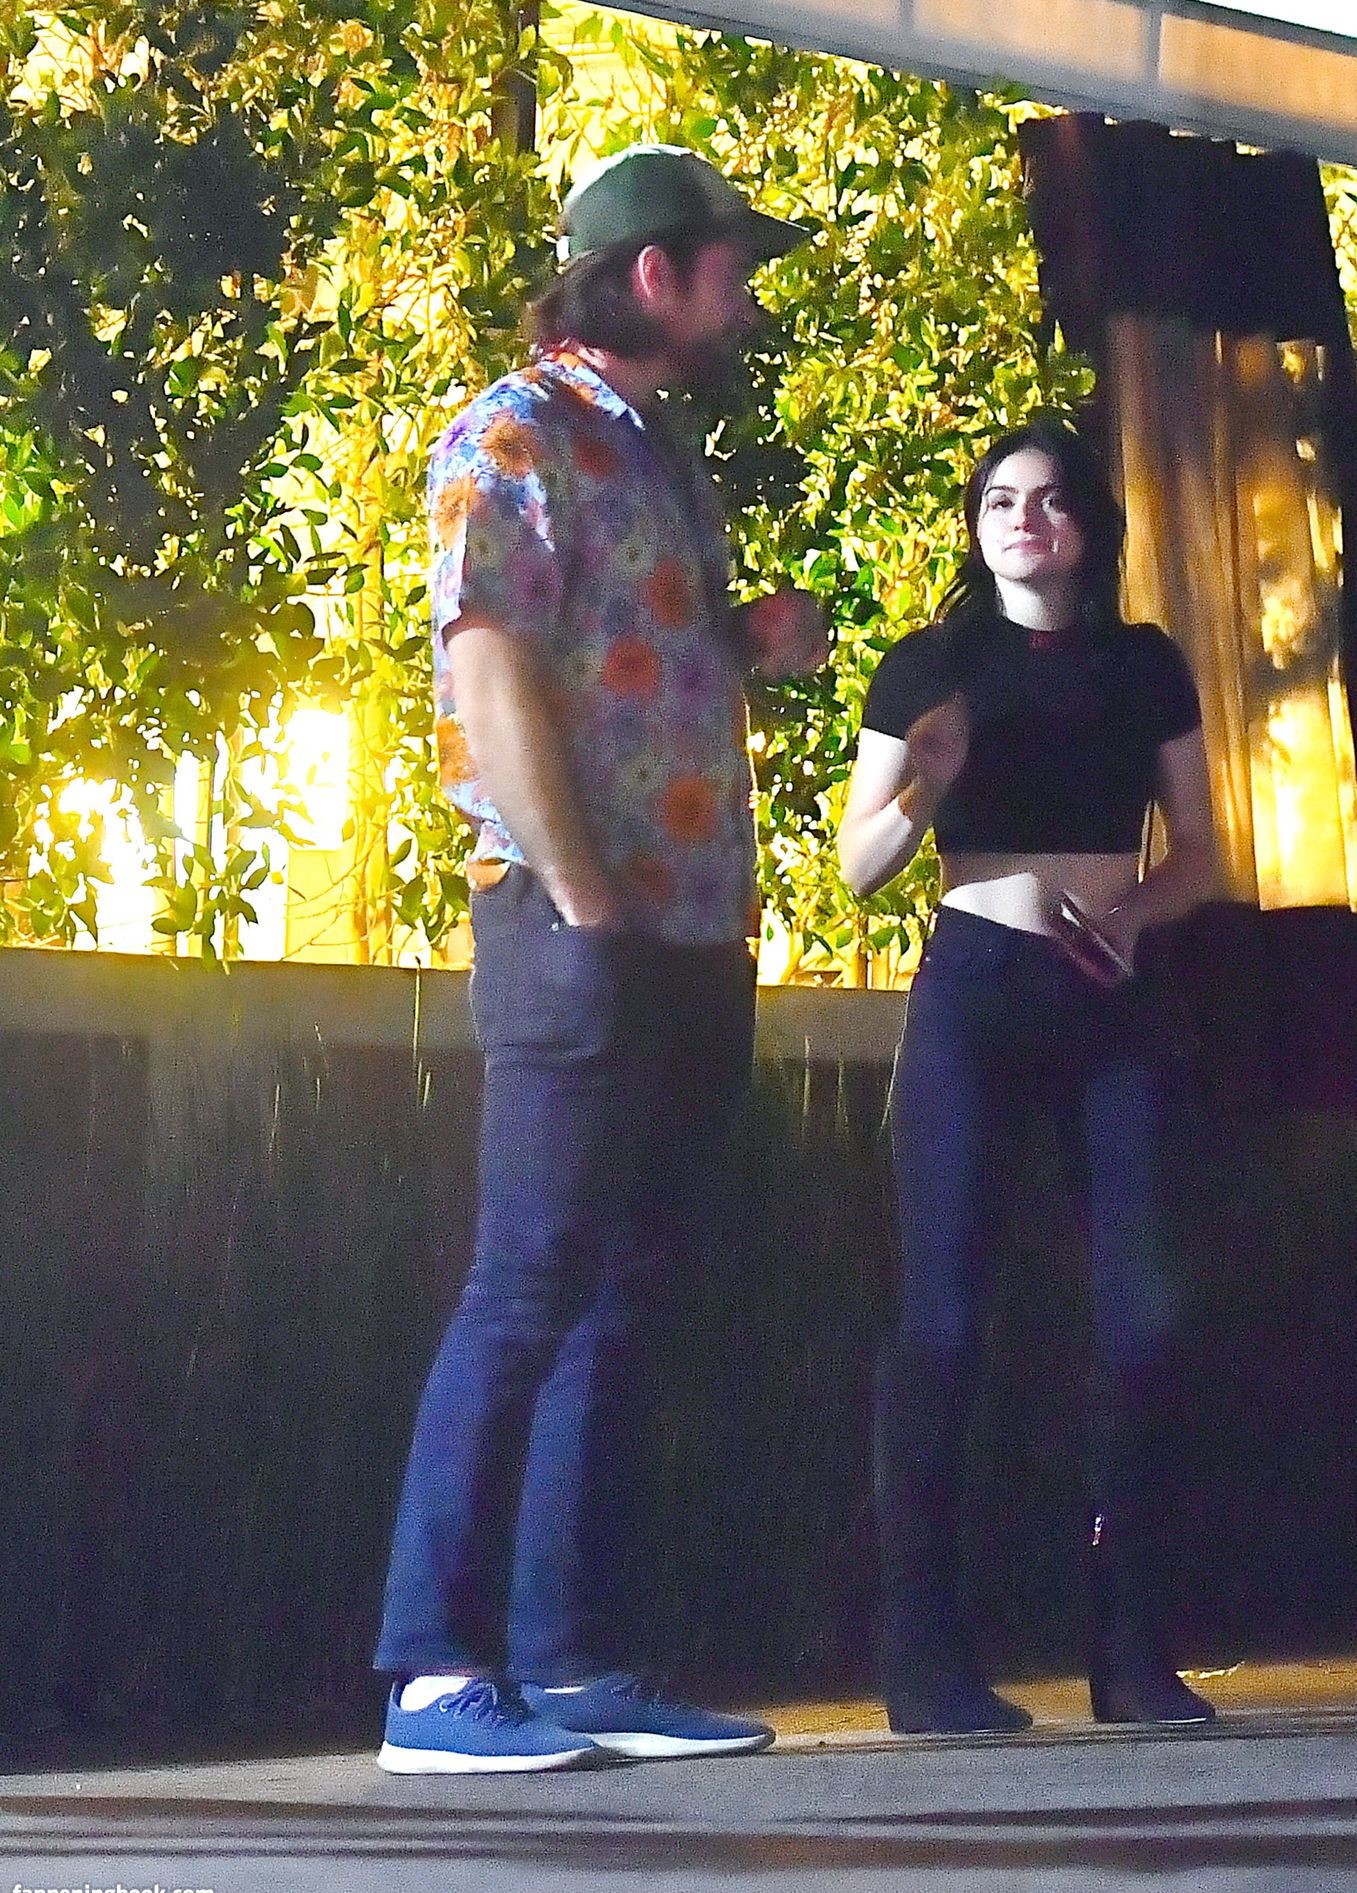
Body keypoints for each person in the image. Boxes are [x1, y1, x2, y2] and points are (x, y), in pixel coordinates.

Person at [373, 145, 832, 1773]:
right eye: (732, 267)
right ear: (655, 273)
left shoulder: (655, 452)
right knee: (525, 1288)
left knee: (628, 1294)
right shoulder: (512, 434)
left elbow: (628, 658)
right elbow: (490, 670)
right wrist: (582, 904)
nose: (746, 297)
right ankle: (434, 1676)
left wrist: (748, 641)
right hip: (576, 920)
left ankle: (572, 1663)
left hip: (689, 926)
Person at [838, 418, 1220, 1736]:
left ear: (1089, 525)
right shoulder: (931, 665)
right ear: (975, 523)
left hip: (1109, 997)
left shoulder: (1142, 663)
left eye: (1050, 499)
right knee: (941, 1325)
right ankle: (922, 1658)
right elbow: (858, 867)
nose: (1023, 519)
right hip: (976, 993)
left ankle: (1130, 1650)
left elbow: (1200, 849)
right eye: (999, 499)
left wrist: (1133, 916)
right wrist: (924, 787)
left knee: (1143, 1320)